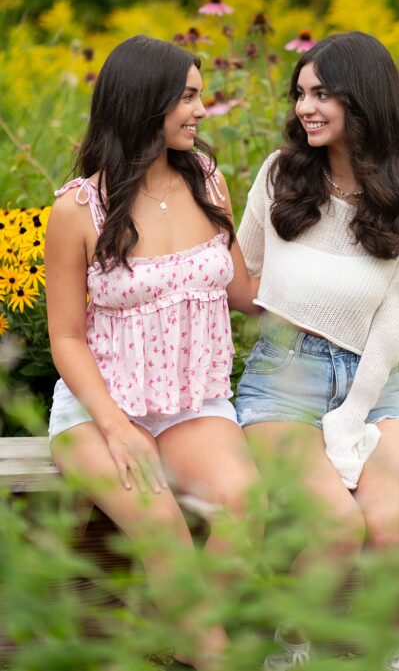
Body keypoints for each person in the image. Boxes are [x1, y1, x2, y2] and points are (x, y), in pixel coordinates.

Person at [45, 35, 264, 670]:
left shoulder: (208, 182)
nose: (201, 109)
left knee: (246, 508)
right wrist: (117, 429)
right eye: (188, 97)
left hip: (192, 401)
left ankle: (183, 643)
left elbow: (246, 291)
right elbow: (66, 338)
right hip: (99, 410)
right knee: (162, 524)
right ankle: (215, 659)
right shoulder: (78, 208)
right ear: (146, 103)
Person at [234, 31, 399, 671]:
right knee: (337, 527)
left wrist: (353, 414)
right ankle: (291, 648)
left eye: (323, 93)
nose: (306, 107)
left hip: (374, 382)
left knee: (385, 530)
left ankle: (389, 657)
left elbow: (398, 319)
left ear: (366, 99)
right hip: (282, 378)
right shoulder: (280, 175)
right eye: (301, 93)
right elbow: (240, 275)